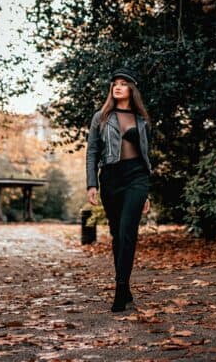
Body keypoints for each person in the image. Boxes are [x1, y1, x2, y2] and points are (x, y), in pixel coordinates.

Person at [85, 66, 153, 312]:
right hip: (111, 178)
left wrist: (148, 193)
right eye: (115, 82)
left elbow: (147, 156)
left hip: (137, 177)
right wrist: (92, 183)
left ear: (131, 89)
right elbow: (92, 151)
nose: (118, 86)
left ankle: (119, 288)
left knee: (127, 232)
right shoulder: (101, 117)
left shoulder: (142, 120)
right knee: (117, 235)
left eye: (123, 83)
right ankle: (125, 287)